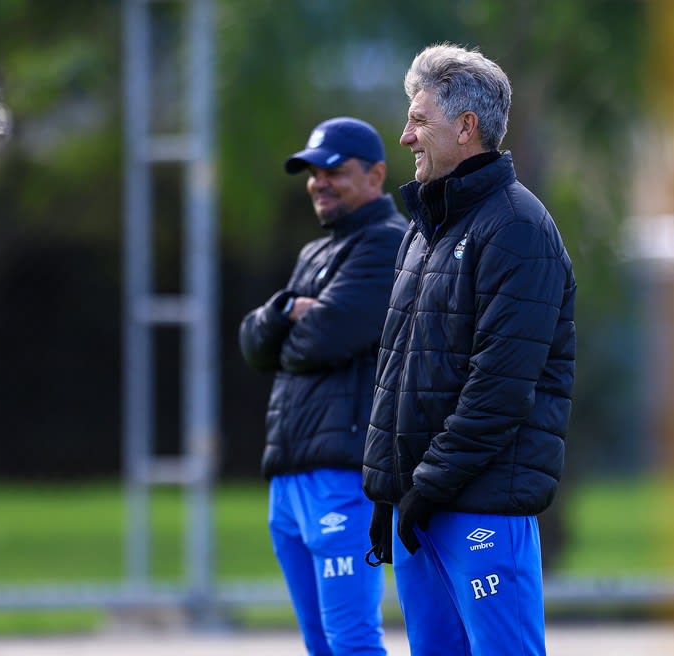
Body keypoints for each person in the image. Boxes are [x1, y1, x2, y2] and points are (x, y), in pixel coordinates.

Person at [362, 43, 577, 655]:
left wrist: (423, 487)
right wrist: (387, 490)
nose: (405, 136)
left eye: (419, 118)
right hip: (420, 507)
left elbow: (500, 387)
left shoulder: (518, 228)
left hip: (480, 505)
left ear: (466, 127)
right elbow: (395, 373)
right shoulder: (423, 230)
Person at [239, 116, 407, 656]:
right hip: (289, 480)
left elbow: (318, 342)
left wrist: (285, 328)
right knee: (320, 645)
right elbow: (253, 345)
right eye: (312, 172)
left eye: (333, 169)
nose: (318, 181)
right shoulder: (315, 253)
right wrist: (289, 310)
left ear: (375, 175)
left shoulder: (388, 245)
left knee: (351, 641)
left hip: (342, 477)